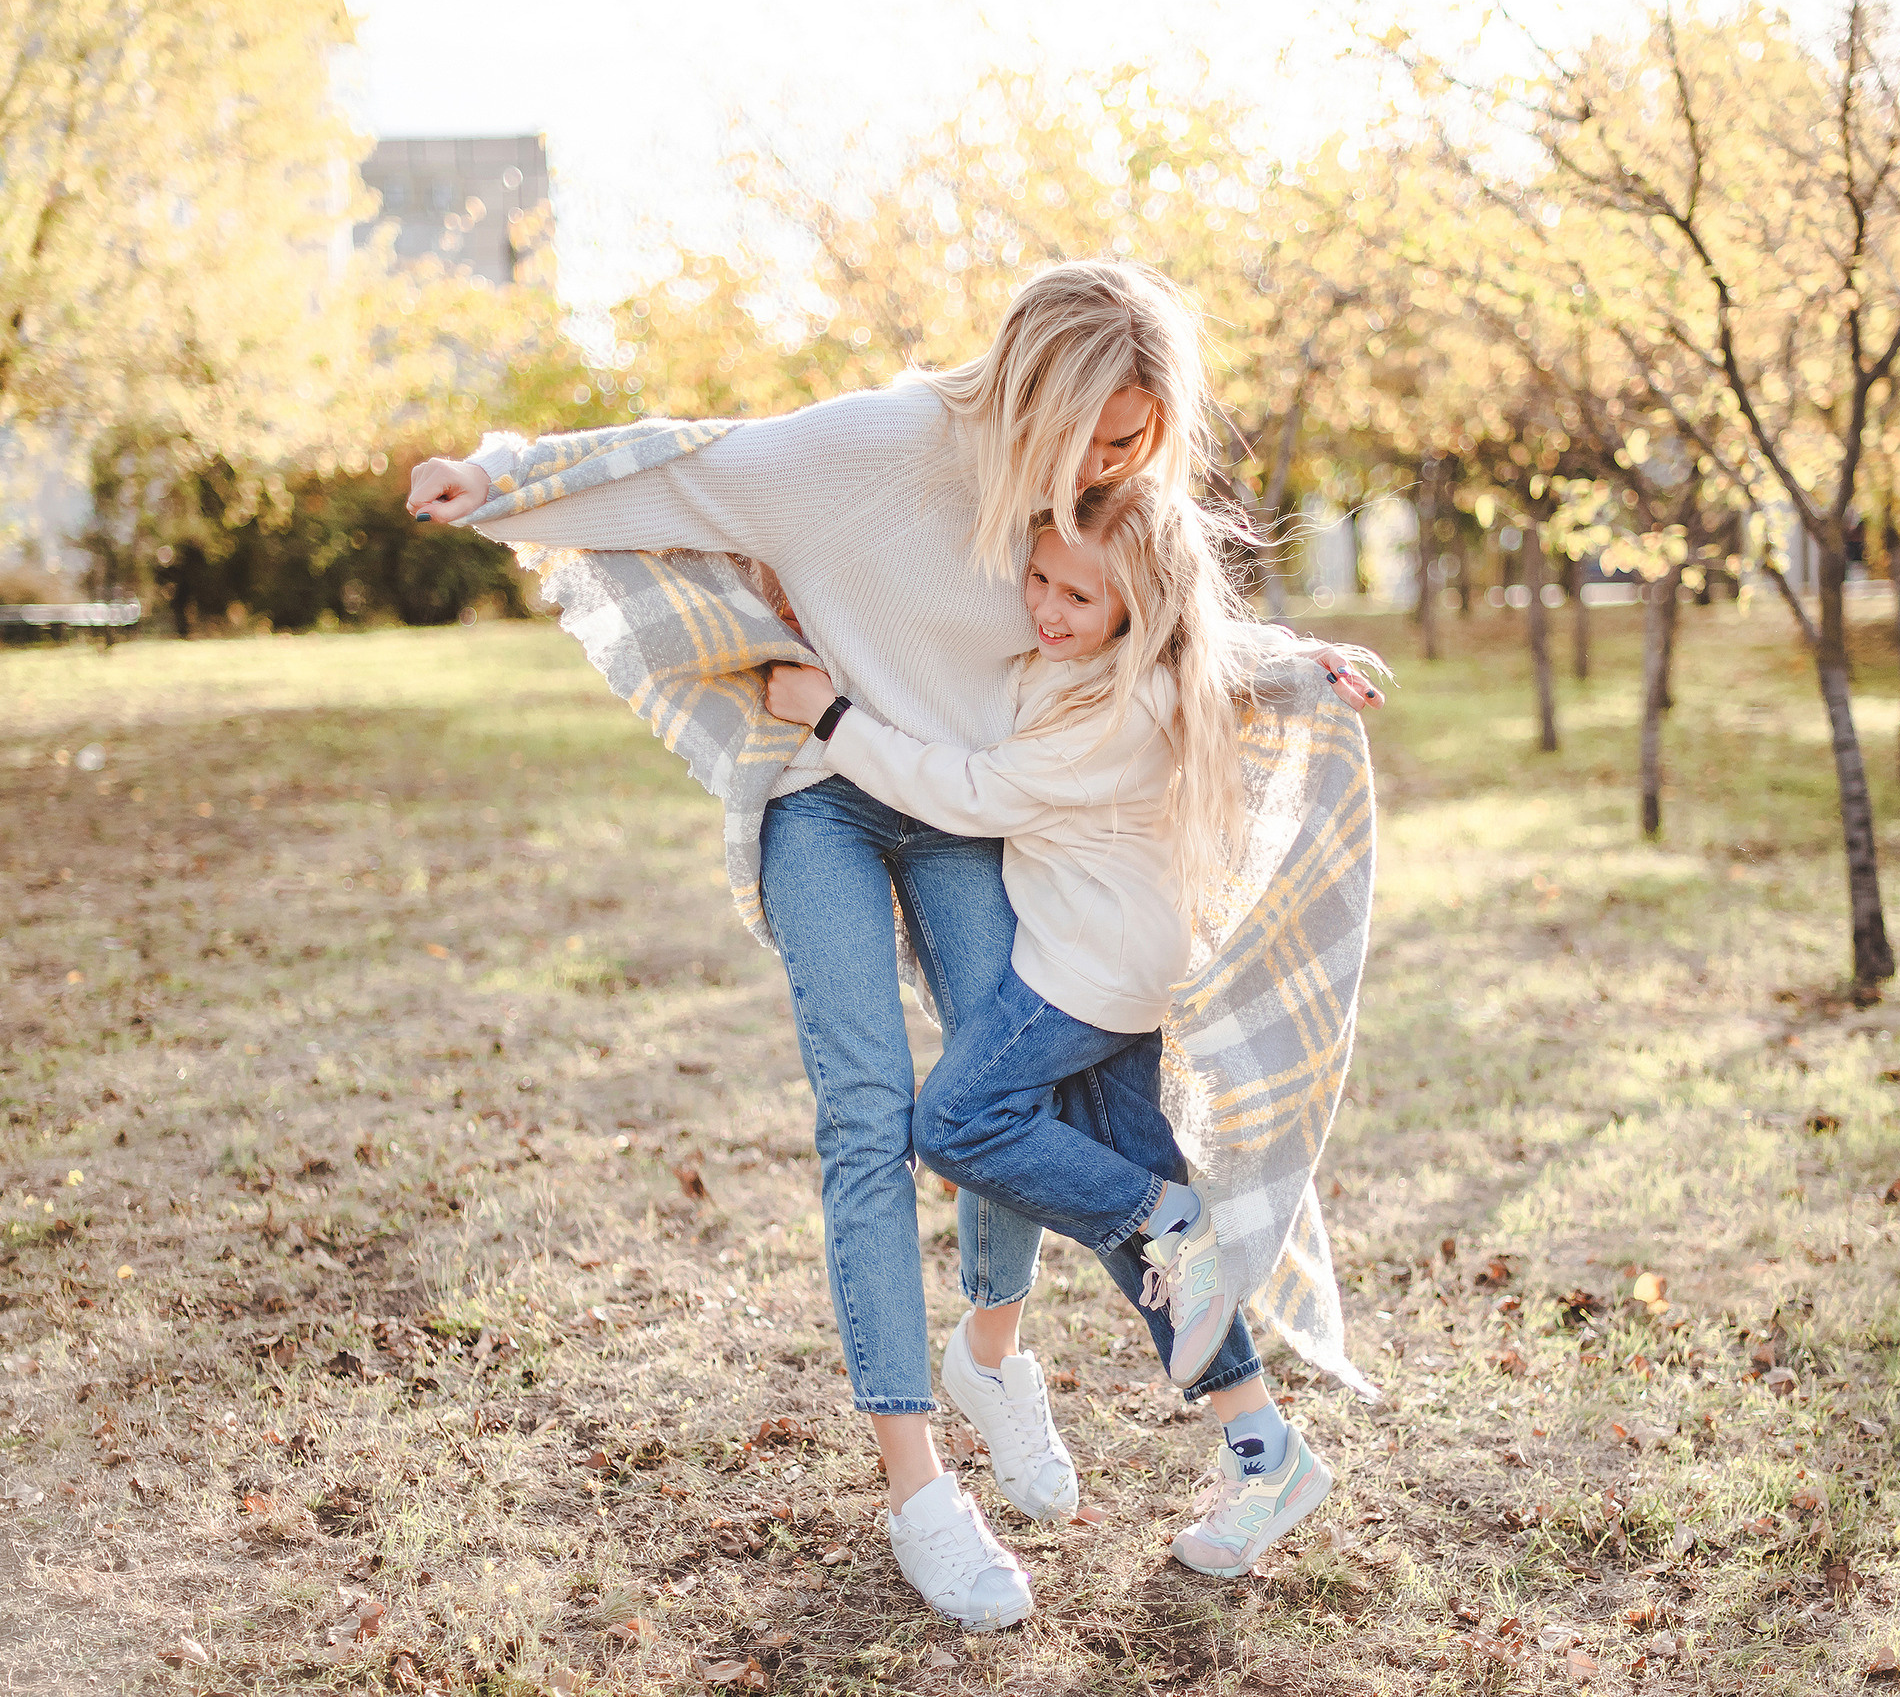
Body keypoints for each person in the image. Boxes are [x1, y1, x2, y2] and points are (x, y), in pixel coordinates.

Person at [407, 260, 1376, 1632]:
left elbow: (1155, 616)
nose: (1106, 474)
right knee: (872, 1115)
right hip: (827, 795)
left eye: (1132, 447)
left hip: (965, 805)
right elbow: (686, 469)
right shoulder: (867, 450)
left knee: (1011, 1098)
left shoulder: (1093, 497)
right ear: (1031, 393)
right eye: (1095, 439)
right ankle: (922, 1487)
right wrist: (496, 479)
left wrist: (1292, 659)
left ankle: (1020, 1363)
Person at [761, 476, 1350, 1576]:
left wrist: (829, 717)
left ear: (1139, 609)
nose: (1046, 606)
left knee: (957, 1122)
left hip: (1080, 975)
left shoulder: (1116, 709)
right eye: (1037, 577)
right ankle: (1263, 1446)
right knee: (1162, 1249)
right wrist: (1292, 656)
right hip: (1120, 968)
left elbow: (973, 791)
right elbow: (1207, 642)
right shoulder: (1120, 667)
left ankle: (1158, 1217)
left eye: (1080, 595)